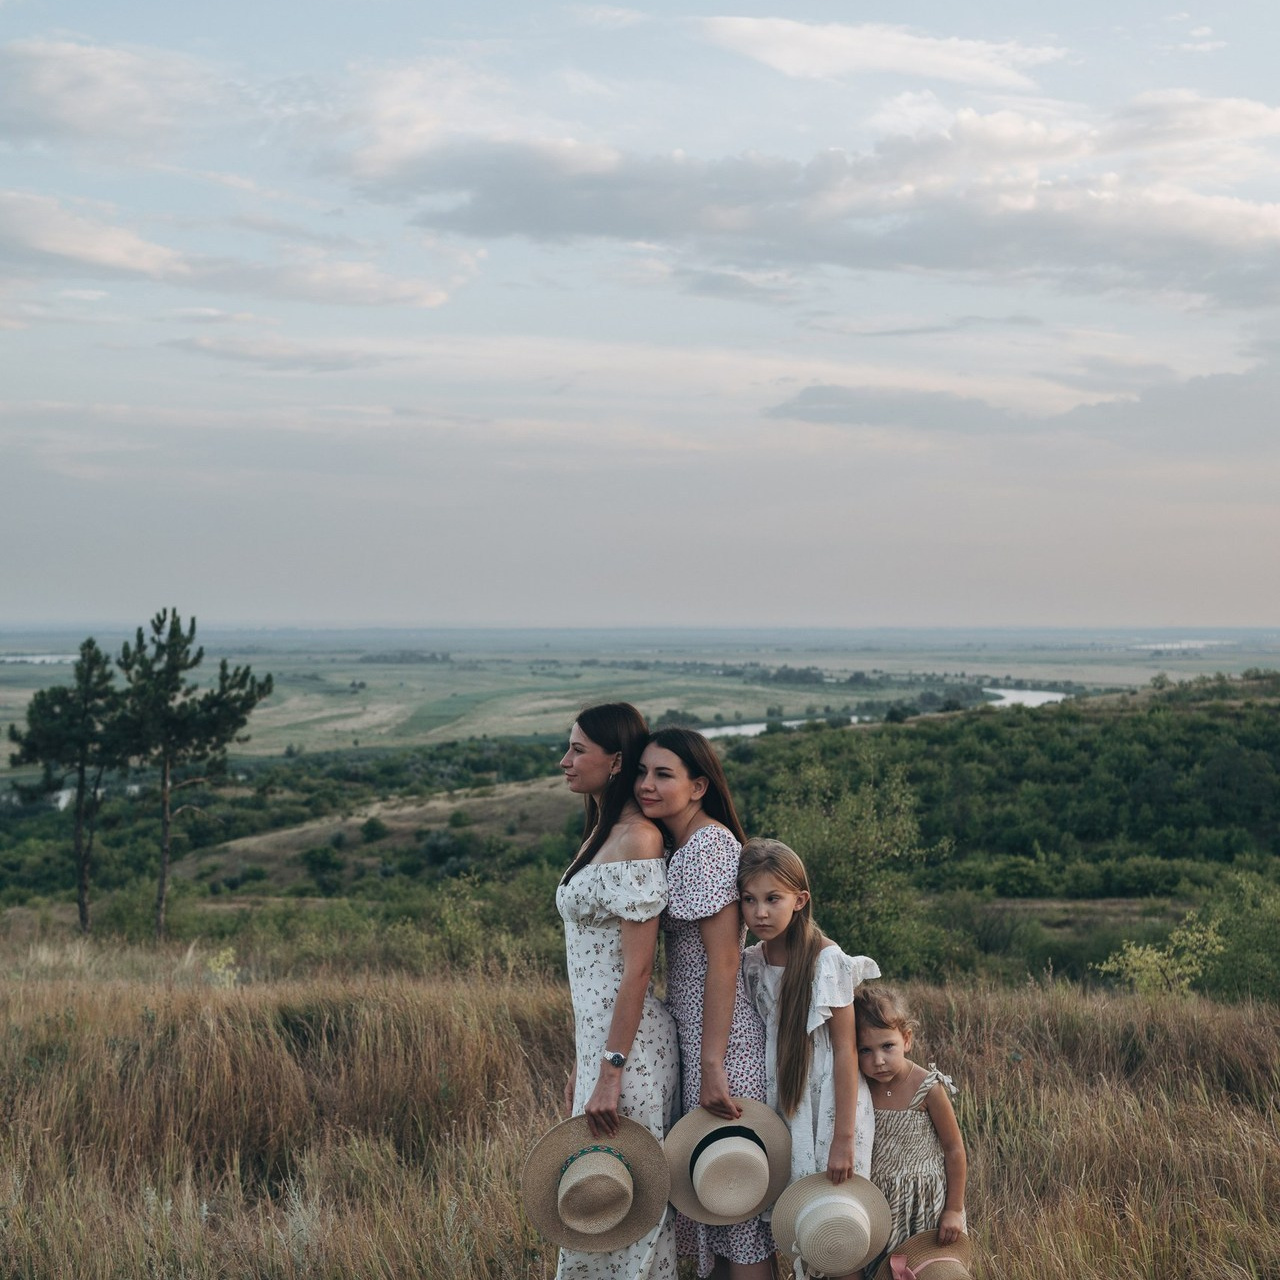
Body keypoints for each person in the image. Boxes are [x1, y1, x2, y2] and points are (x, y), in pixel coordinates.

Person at [634, 727, 773, 1280]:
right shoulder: (682, 845)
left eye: (663, 774)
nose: (647, 784)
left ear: (698, 786)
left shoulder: (710, 847)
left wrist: (713, 1065)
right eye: (642, 771)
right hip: (699, 1038)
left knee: (737, 1209)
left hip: (725, 1043)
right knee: (712, 1206)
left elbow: (725, 961)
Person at [555, 703, 680, 1279]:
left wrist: (610, 1070)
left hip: (629, 1050)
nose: (566, 760)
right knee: (599, 1198)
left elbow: (638, 970)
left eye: (579, 749)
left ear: (616, 761)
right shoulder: (604, 832)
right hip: (602, 1040)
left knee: (628, 1206)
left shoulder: (639, 840)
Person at [738, 837, 880, 1261]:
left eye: (773, 899)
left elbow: (845, 1051)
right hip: (782, 1096)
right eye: (749, 899)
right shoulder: (751, 961)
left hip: (830, 1105)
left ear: (799, 900)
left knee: (836, 1222)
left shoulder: (827, 960)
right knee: (796, 1223)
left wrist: (843, 1140)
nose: (760, 912)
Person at [854, 985, 968, 1277]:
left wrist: (954, 1209)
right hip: (878, 1204)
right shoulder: (861, 1088)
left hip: (924, 1205)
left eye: (887, 1046)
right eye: (865, 1050)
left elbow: (954, 1149)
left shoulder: (927, 1087)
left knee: (924, 1271)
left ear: (906, 1039)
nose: (877, 1060)